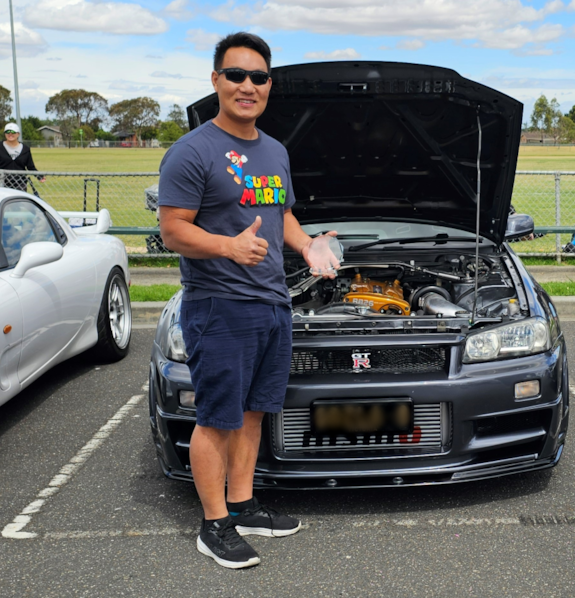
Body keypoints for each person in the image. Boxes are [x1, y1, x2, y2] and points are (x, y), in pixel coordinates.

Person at [156, 32, 340, 570]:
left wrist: (307, 245)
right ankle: (214, 525)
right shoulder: (191, 152)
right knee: (217, 418)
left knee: (255, 413)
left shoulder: (275, 150)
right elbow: (172, 230)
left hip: (271, 303)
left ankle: (243, 505)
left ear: (268, 86)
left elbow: (279, 213)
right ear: (215, 81)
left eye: (257, 77)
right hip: (219, 305)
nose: (247, 86)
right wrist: (226, 246)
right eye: (235, 75)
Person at [0, 123, 43, 191]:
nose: (10, 134)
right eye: (7, 132)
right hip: (0, 183)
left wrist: (39, 177)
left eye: (13, 132)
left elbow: (30, 166)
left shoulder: (25, 149)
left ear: (18, 134)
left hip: (19, 184)